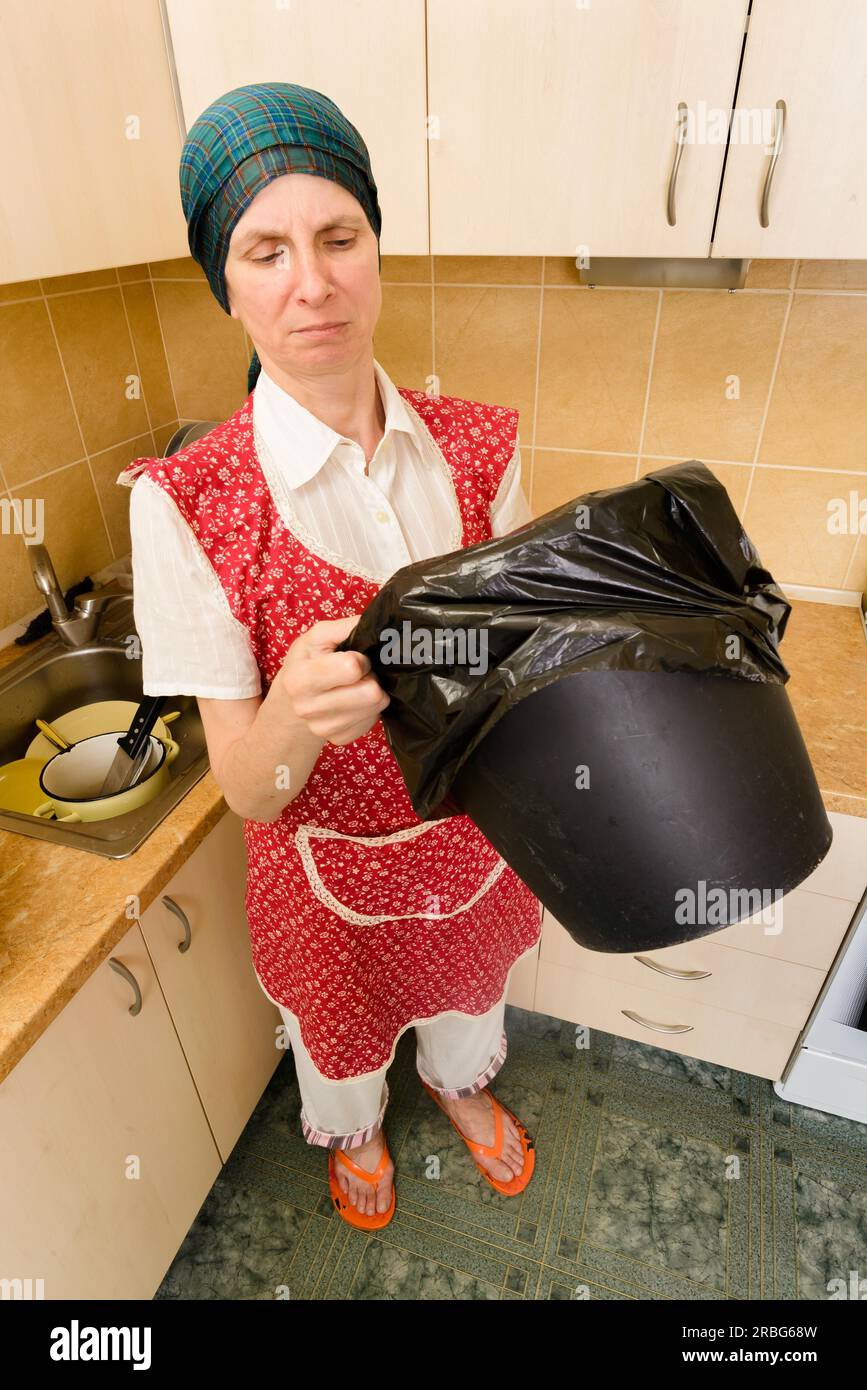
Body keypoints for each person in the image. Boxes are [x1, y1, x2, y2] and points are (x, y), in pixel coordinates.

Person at [117, 82, 542, 1230]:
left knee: (466, 1005)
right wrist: (297, 716)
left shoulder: (480, 445)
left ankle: (459, 1087)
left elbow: (513, 669)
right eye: (265, 250)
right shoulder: (187, 505)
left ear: (376, 248)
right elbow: (251, 790)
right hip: (322, 872)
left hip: (467, 833)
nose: (312, 283)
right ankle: (358, 1133)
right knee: (340, 1041)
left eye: (339, 237)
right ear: (228, 283)